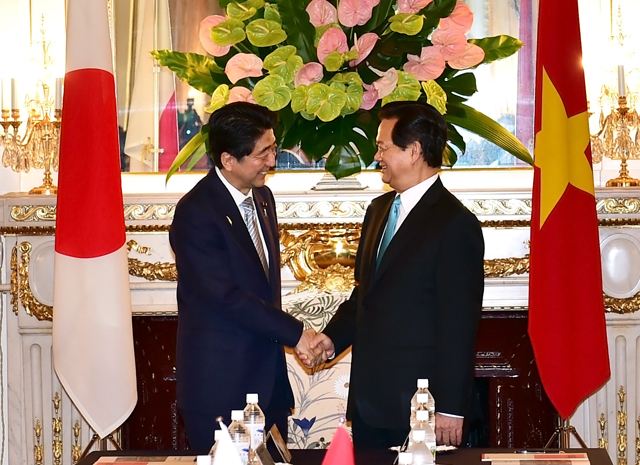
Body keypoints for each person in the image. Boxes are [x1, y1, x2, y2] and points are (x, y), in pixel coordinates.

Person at [299, 101, 485, 450]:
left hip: (422, 408)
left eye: (383, 147)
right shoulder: (379, 209)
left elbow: (459, 324)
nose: (377, 157)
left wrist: (450, 408)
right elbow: (366, 295)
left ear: (413, 151)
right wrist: (332, 338)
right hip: (372, 402)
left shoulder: (455, 224)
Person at [170, 102, 320, 449]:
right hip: (221, 386)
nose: (272, 160)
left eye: (273, 147)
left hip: (267, 387)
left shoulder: (263, 198)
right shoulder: (196, 212)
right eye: (262, 153)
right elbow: (226, 297)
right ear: (228, 160)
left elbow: (263, 288)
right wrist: (296, 334)